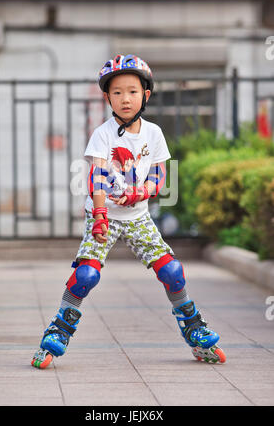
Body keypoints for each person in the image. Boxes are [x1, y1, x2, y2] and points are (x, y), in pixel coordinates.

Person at [31, 54, 226, 369]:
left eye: (132, 91)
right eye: (117, 92)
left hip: (138, 217)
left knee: (172, 271)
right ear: (107, 97)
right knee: (86, 274)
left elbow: (160, 176)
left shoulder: (153, 134)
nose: (125, 99)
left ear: (145, 95)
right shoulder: (103, 134)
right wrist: (98, 214)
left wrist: (144, 191)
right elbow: (96, 177)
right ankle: (58, 331)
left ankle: (194, 328)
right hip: (104, 216)